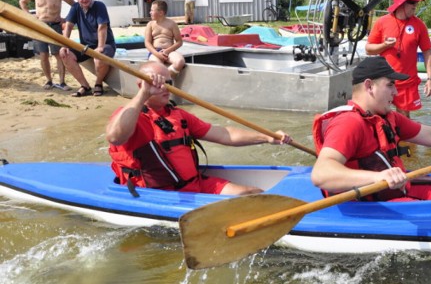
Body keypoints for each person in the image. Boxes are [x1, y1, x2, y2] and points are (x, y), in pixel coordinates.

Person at [311, 56, 431, 202]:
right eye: (390, 85)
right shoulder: (349, 123)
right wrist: (378, 177)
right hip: (371, 204)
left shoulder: (388, 118)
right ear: (369, 86)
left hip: (396, 191)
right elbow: (321, 174)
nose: (396, 92)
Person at [106, 61, 293, 195]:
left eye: (169, 83)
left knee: (253, 193)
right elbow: (115, 137)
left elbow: (223, 134)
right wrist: (144, 93)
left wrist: (267, 138)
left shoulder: (177, 115)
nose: (165, 88)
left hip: (194, 185)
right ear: (141, 85)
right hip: (158, 194)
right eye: (158, 83)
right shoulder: (132, 114)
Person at [365, 0, 431, 118]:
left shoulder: (419, 25)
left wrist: (430, 79)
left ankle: (402, 139)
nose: (416, 5)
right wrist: (384, 45)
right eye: (412, 3)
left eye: (416, 2)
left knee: (404, 121)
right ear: (401, 4)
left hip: (407, 82)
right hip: (383, 80)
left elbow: (428, 53)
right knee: (379, 117)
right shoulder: (382, 22)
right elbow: (368, 49)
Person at [19, 0, 75, 91]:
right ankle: (49, 80)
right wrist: (29, 15)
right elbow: (22, 2)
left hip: (54, 26)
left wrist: (66, 19)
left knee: (58, 55)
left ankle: (62, 82)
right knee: (43, 55)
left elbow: (73, 5)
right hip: (39, 27)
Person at [60, 0, 116, 97]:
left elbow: (102, 27)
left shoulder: (99, 6)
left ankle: (98, 83)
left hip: (106, 44)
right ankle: (85, 86)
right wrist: (65, 44)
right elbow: (68, 26)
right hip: (86, 46)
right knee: (64, 53)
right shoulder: (76, 7)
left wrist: (100, 47)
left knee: (99, 57)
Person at [144, 0, 185, 77]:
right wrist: (157, 54)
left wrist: (167, 51)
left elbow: (179, 41)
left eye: (152, 10)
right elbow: (147, 43)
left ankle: (166, 78)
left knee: (180, 61)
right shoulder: (150, 24)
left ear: (161, 13)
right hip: (155, 52)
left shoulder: (172, 24)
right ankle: (165, 80)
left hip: (169, 51)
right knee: (157, 68)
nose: (150, 12)